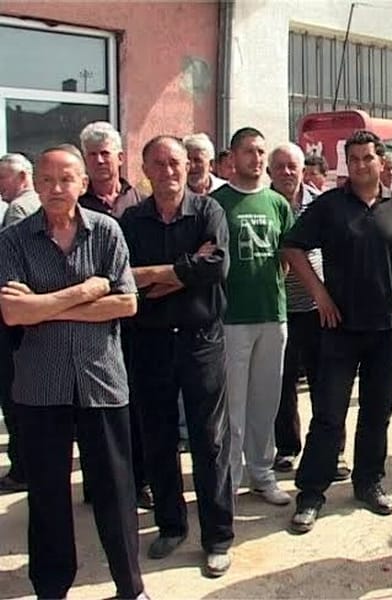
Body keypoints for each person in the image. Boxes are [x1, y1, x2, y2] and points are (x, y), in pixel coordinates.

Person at [282, 129, 392, 534]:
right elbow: (291, 246)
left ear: (381, 162)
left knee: (377, 412)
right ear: (347, 164)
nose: (359, 166)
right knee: (328, 415)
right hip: (339, 328)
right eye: (352, 159)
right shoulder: (331, 205)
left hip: (385, 330)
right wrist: (319, 294)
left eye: (366, 158)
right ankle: (311, 493)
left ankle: (368, 482)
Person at [0, 145, 145, 600]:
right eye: (47, 180)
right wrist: (85, 291)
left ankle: (129, 587)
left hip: (101, 381)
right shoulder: (13, 240)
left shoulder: (107, 232)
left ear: (83, 184)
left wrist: (43, 306)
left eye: (66, 179)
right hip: (40, 387)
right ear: (35, 186)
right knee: (47, 497)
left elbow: (126, 302)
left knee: (115, 494)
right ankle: (51, 589)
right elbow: (11, 313)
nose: (56, 188)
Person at [120, 136, 234, 578]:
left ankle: (218, 536)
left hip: (200, 339)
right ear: (145, 169)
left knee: (210, 441)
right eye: (158, 164)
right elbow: (122, 280)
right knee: (158, 437)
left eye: (175, 163)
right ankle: (170, 525)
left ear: (188, 166)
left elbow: (217, 268)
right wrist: (185, 271)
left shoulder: (208, 212)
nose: (167, 171)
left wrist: (155, 277)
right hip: (149, 342)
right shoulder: (131, 221)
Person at [211, 129, 294, 507]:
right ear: (232, 157)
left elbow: (288, 258)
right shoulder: (215, 204)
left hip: (271, 315)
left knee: (266, 400)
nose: (257, 159)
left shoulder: (278, 203)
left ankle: (262, 473)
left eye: (261, 151)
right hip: (231, 319)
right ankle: (227, 478)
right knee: (232, 405)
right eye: (249, 151)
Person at [77, 122, 152, 509]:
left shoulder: (139, 203)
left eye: (107, 153)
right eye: (93, 154)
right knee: (93, 406)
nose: (101, 161)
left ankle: (138, 480)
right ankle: (97, 482)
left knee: (134, 402)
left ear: (121, 158)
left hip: (135, 320)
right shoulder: (76, 205)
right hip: (91, 321)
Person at [270, 143, 350, 480]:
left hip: (319, 308)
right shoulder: (264, 204)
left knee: (326, 382)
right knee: (282, 383)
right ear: (270, 172)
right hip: (278, 310)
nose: (287, 173)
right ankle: (287, 448)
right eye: (281, 167)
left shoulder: (322, 203)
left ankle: (332, 452)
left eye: (293, 166)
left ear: (303, 169)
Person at [0, 153, 39, 495]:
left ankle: (22, 469)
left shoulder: (18, 211)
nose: (0, 185)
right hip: (29, 318)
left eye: (4, 178)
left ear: (23, 177)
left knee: (15, 398)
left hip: (17, 323)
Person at [78, 121, 142, 218]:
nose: (99, 160)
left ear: (120, 158)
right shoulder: (76, 203)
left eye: (105, 154)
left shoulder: (138, 201)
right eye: (92, 154)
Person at [0, 153, 40, 228]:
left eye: (1, 177)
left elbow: (16, 239)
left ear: (22, 176)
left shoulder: (17, 207)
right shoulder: (43, 201)